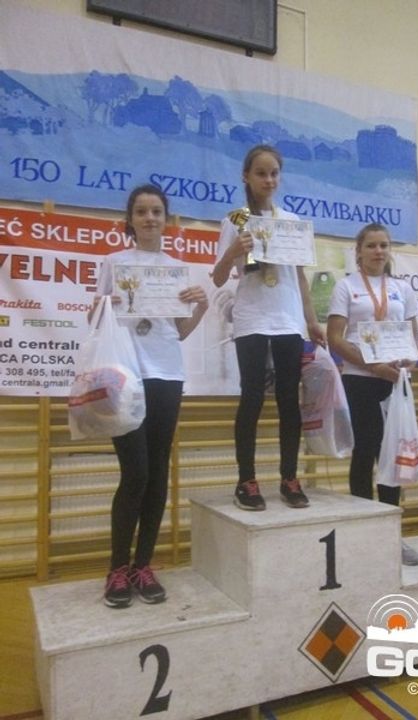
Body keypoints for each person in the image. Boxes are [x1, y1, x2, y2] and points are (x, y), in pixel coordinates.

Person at [90, 184, 208, 608]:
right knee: (135, 473)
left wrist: (201, 305)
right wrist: (107, 303)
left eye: (156, 211)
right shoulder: (114, 262)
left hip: (166, 377)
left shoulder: (176, 269)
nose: (149, 218)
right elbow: (94, 319)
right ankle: (117, 568)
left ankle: (143, 566)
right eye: (141, 211)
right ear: (130, 219)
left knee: (157, 473)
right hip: (126, 377)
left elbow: (180, 332)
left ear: (165, 219)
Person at [212, 144, 325, 511]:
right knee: (252, 398)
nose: (269, 179)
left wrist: (311, 321)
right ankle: (246, 480)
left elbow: (301, 277)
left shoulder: (290, 221)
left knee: (289, 399)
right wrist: (233, 252)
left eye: (274, 173)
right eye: (261, 173)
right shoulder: (234, 220)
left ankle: (289, 478)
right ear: (246, 176)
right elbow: (217, 278)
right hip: (251, 318)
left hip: (288, 318)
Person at [326, 222, 418, 566]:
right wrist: (374, 366)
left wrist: (408, 359)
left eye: (384, 245)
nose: (378, 251)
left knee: (391, 454)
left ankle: (390, 535)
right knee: (365, 451)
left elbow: (413, 338)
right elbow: (335, 338)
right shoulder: (346, 286)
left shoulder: (402, 289)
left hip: (395, 380)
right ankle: (362, 533)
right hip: (359, 380)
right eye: (371, 245)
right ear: (359, 251)